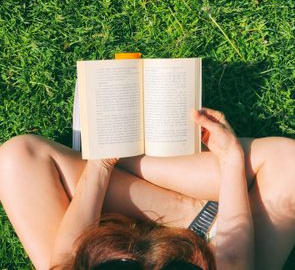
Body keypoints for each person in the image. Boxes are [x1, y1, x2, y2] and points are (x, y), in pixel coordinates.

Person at [0, 108, 294, 269]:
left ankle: (127, 158)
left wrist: (102, 164)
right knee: (289, 165)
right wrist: (229, 157)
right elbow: (232, 261)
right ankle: (194, 214)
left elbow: (68, 258)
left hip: (108, 238)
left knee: (17, 158)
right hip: (213, 248)